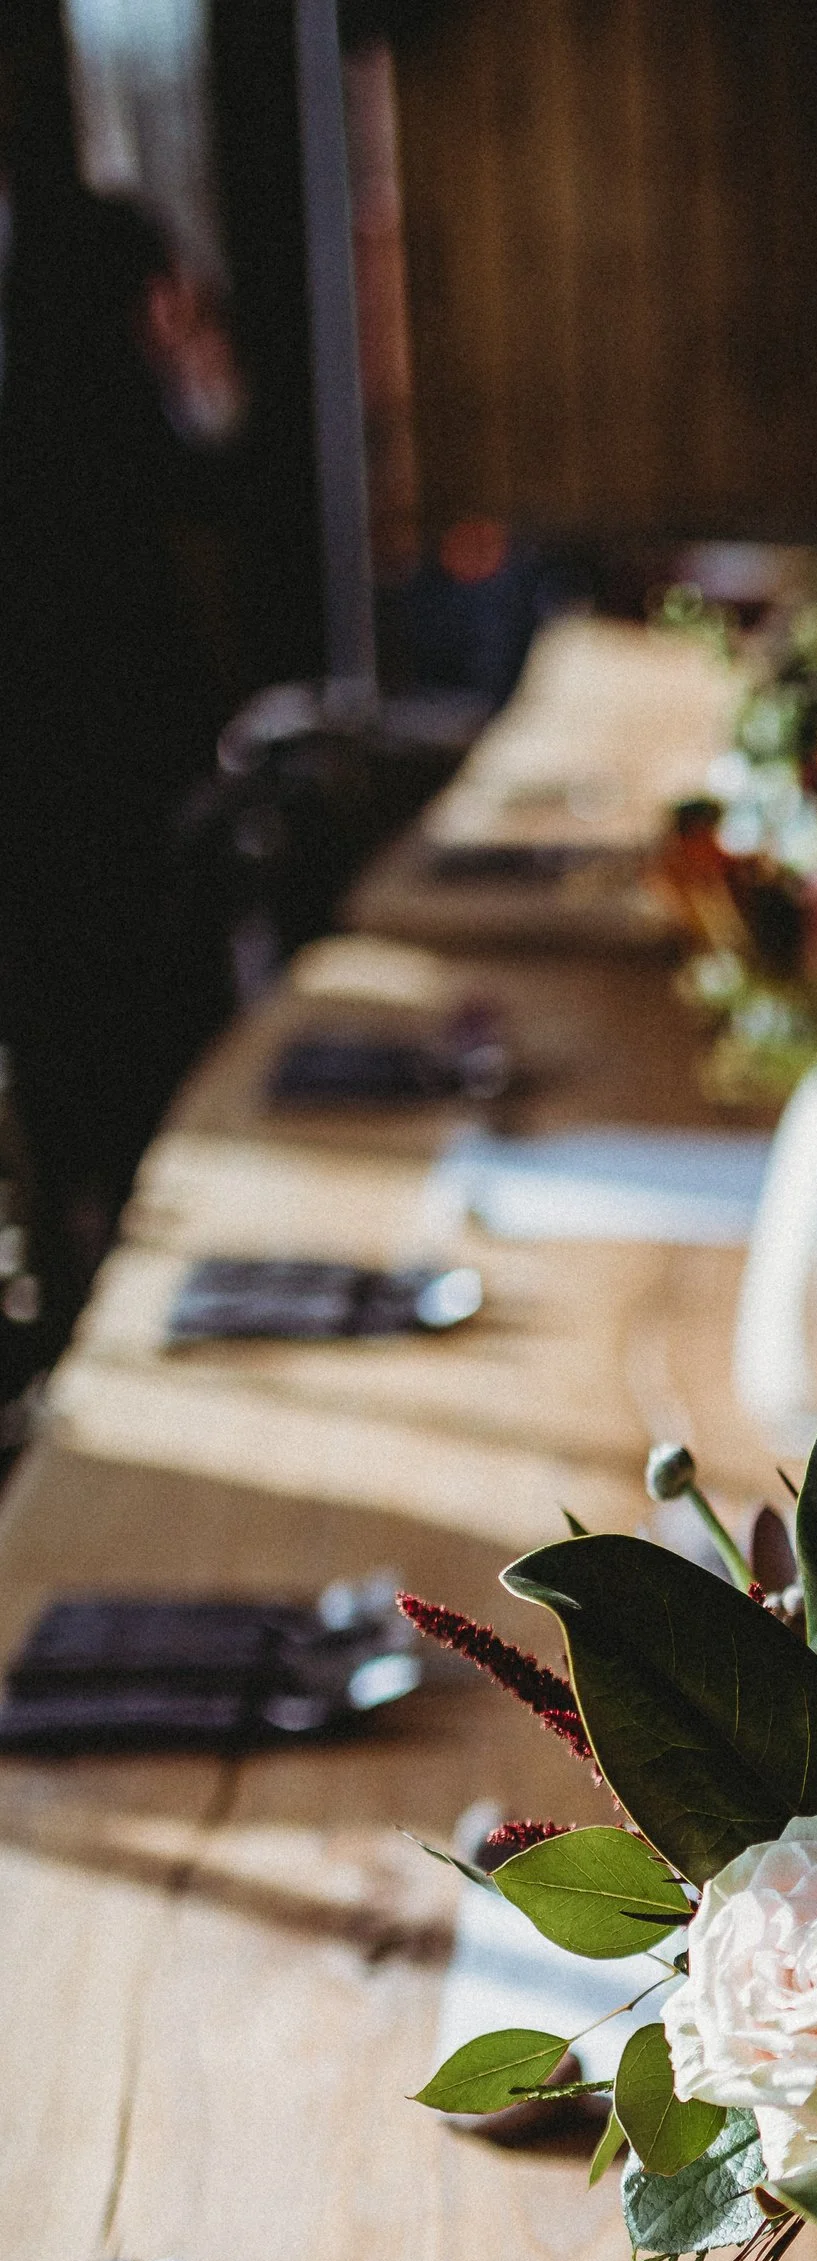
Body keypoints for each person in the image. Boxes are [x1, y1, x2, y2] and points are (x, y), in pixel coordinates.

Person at [0, 0, 232, 1354]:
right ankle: (71, 1299)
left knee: (152, 1015)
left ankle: (160, 1287)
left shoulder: (106, 240)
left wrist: (209, 388)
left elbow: (210, 474)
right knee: (40, 1027)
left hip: (118, 710)